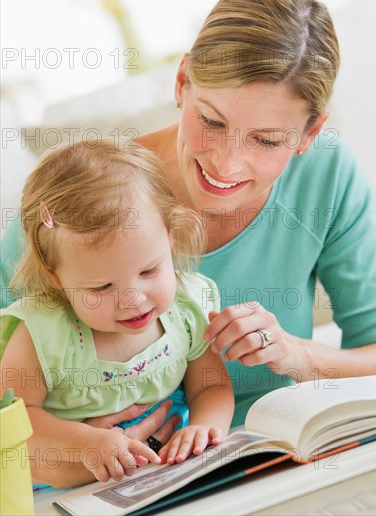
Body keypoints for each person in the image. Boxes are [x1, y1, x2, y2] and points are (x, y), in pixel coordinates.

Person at [1, 0, 376, 486]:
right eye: (211, 120)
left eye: (267, 140)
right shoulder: (78, 209)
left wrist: (299, 356)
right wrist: (68, 446)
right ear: (182, 82)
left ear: (310, 134)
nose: (226, 164)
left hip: (257, 462)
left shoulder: (327, 178)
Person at [0, 140, 234, 486]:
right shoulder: (44, 333)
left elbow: (211, 387)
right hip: (60, 487)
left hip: (163, 472)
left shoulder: (186, 309)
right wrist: (87, 443)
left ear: (170, 238)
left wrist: (203, 427)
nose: (132, 299)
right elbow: (12, 418)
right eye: (102, 288)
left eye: (149, 270)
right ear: (55, 276)